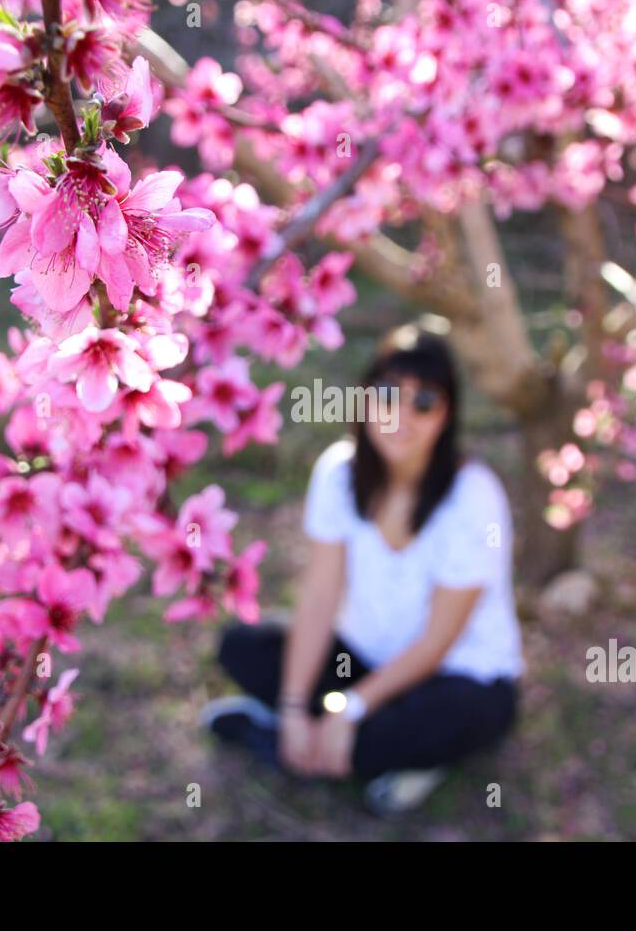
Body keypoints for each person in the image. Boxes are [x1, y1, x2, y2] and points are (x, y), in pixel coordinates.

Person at [201, 324, 524, 815]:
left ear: (447, 415)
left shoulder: (472, 497)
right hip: (361, 659)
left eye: (424, 403)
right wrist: (294, 704)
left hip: (460, 678)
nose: (401, 417)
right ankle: (315, 731)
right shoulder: (338, 473)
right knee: (241, 648)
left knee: (447, 718)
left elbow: (437, 644)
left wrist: (348, 707)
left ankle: (311, 739)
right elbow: (320, 597)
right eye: (389, 395)